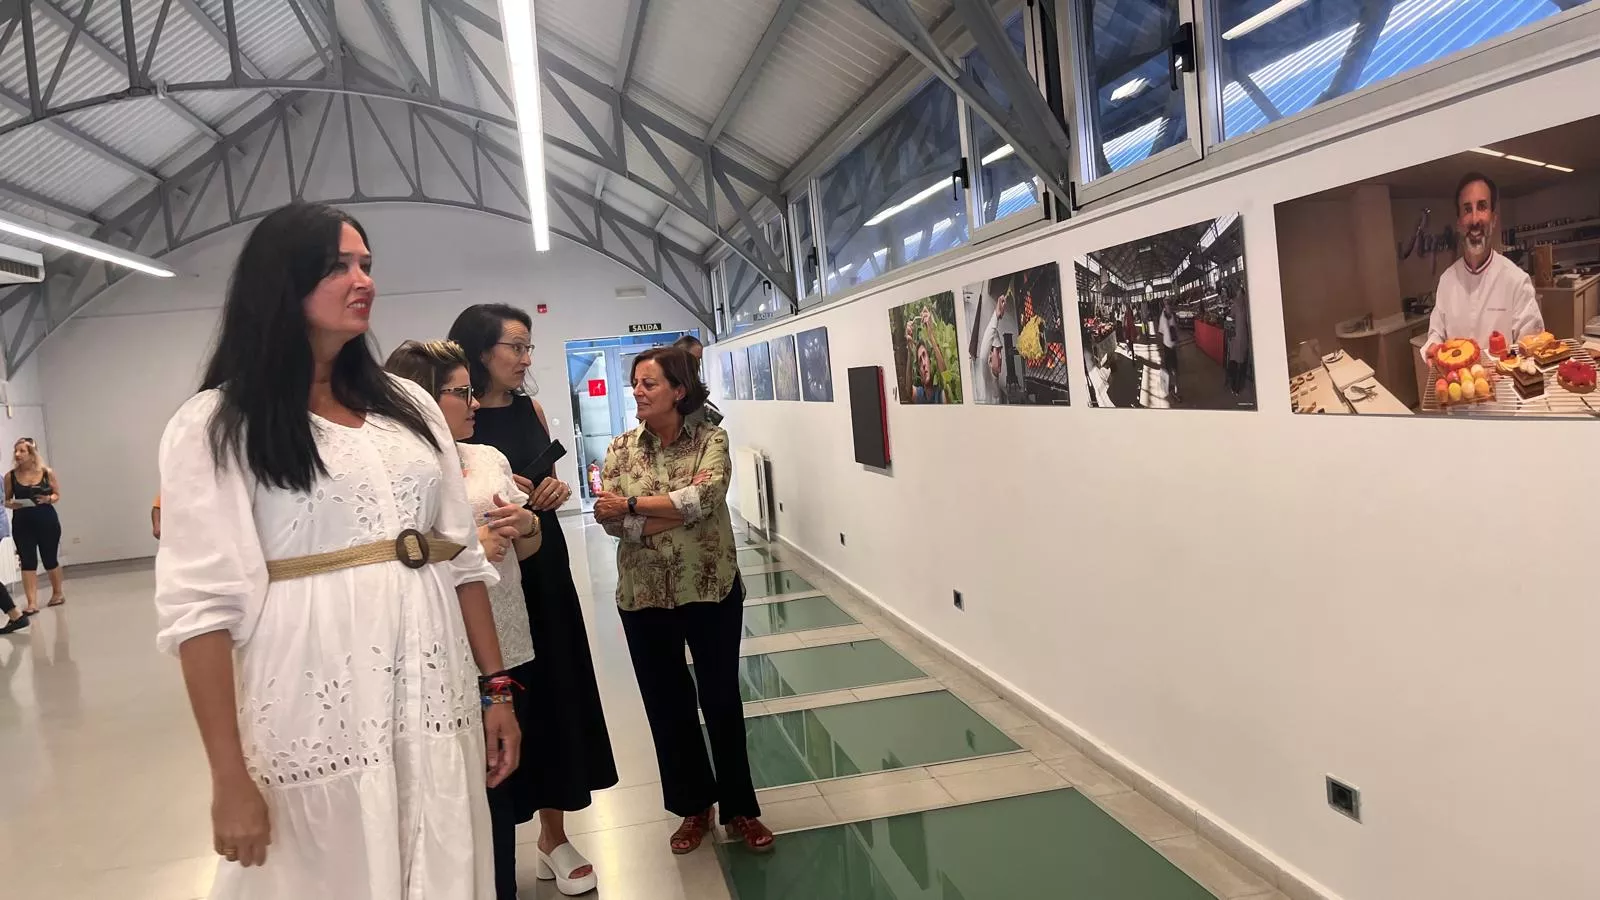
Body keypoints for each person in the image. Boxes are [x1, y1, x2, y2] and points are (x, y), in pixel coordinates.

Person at [154, 202, 519, 898]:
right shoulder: (216, 424)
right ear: (281, 283)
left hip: (432, 697)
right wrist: (227, 778)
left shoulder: (408, 408)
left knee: (440, 858)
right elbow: (199, 613)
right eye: (338, 266)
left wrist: (498, 689)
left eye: (367, 264)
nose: (363, 280)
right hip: (312, 712)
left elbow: (462, 559)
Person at [449, 304, 616, 897]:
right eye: (514, 348)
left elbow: (544, 490)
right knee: (493, 702)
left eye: (528, 348)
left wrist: (548, 491)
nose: (525, 360)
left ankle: (553, 835)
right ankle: (491, 841)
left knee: (555, 691)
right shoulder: (447, 424)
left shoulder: (532, 410)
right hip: (483, 579)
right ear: (476, 352)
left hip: (541, 565)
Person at [593, 347, 773, 855]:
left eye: (649, 383)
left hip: (710, 587)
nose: (638, 391)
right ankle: (694, 807)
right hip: (643, 595)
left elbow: (706, 498)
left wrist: (633, 506)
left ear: (678, 389)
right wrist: (671, 511)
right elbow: (609, 522)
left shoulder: (710, 441)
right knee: (668, 706)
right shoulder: (621, 449)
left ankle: (740, 808)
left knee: (720, 700)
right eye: (635, 384)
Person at [385, 339, 543, 900]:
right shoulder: (395, 474)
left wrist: (525, 524)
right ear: (421, 397)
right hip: (434, 651)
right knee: (447, 792)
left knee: (498, 787)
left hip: (503, 639)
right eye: (460, 393)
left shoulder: (487, 460)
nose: (474, 403)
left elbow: (530, 547)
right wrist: (466, 547)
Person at [1422, 171, 1544, 359]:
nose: (1475, 219)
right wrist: (1433, 348)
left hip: (1504, 386)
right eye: (1467, 209)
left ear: (1494, 220)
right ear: (1459, 224)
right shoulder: (1446, 281)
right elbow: (1436, 334)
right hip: (1457, 385)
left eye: (1482, 207)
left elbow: (1533, 347)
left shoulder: (1516, 281)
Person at [6, 438, 64, 612]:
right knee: (27, 561)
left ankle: (57, 593)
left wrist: (48, 499)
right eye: (16, 451)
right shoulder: (11, 476)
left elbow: (57, 495)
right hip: (23, 521)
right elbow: (6, 499)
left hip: (46, 519)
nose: (18, 455)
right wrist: (11, 504)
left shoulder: (47, 473)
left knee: (49, 558)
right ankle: (32, 602)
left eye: (22, 451)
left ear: (32, 454)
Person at [672, 334, 723, 425]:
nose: (697, 364)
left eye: (699, 359)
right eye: (694, 359)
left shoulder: (693, 383)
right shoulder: (668, 382)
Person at [1157, 302, 1180, 404]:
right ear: (1164, 308)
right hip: (1167, 346)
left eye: (1170, 306)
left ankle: (1175, 389)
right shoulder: (1163, 318)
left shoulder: (1171, 316)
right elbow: (1161, 332)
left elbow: (1175, 328)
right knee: (1169, 368)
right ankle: (1170, 387)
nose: (1169, 308)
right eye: (1167, 306)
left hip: (1172, 346)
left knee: (1174, 369)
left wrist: (1175, 340)